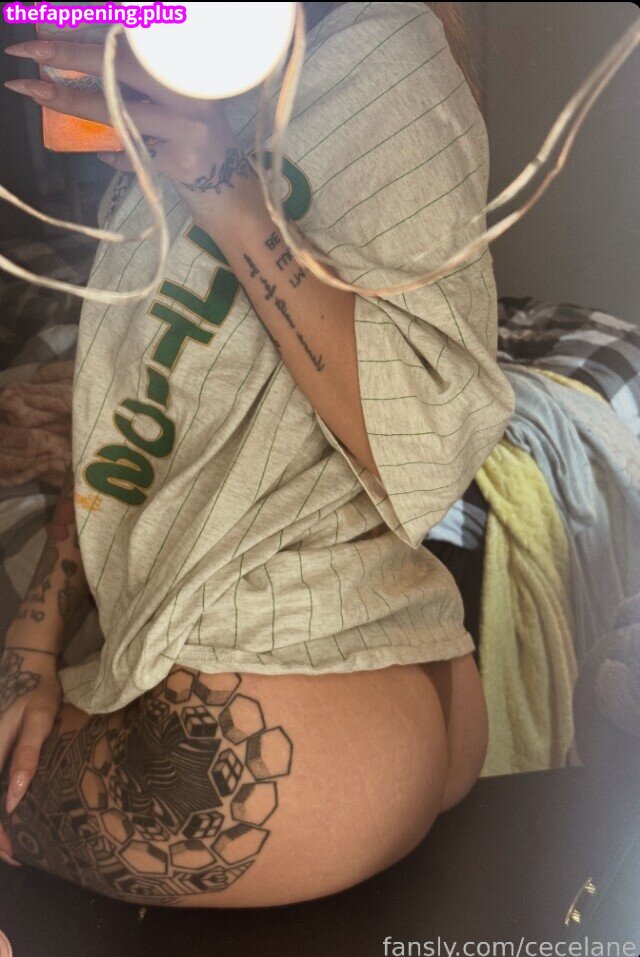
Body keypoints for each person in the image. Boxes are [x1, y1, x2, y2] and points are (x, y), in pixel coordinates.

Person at [0, 2, 514, 906]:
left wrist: (217, 180)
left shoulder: (384, 46)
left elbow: (426, 433)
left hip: (285, 723)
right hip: (308, 700)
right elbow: (144, 407)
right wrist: (34, 640)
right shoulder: (196, 70)